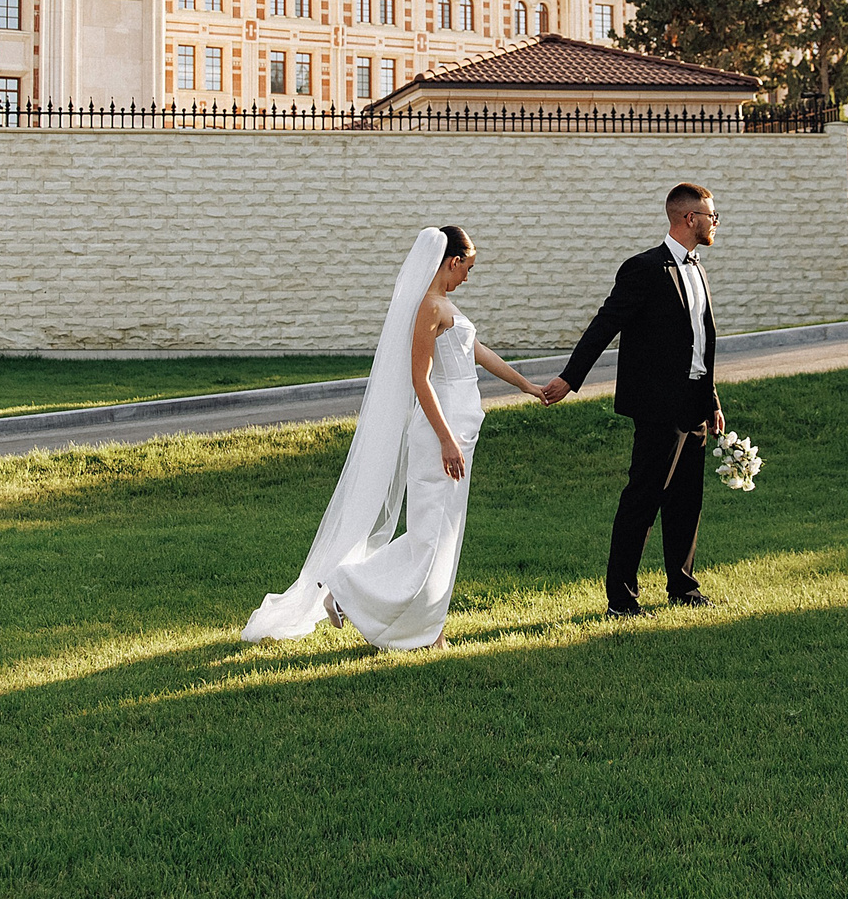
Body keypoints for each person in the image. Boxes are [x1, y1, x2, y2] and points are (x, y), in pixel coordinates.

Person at [242, 225, 550, 651]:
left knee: (445, 536)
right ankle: (349, 589)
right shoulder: (428, 307)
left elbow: (478, 353)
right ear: (452, 261)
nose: (468, 277)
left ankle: (424, 625)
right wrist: (445, 439)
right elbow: (419, 379)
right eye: (468, 268)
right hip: (442, 435)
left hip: (462, 429)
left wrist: (526, 386)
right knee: (429, 536)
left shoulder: (447, 306)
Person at [540, 183, 725, 617]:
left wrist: (712, 400)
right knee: (643, 500)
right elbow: (606, 324)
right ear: (687, 219)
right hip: (658, 407)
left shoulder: (698, 269)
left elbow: (701, 342)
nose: (715, 222)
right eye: (710, 215)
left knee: (687, 501)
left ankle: (683, 586)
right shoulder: (644, 268)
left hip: (695, 403)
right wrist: (571, 378)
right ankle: (621, 600)